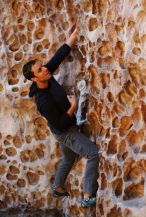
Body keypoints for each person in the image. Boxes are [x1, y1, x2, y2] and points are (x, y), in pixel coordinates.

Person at [23, 27, 100, 207]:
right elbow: (61, 122)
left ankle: (58, 187)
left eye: (42, 66)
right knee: (93, 153)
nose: (44, 69)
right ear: (34, 78)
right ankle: (88, 197)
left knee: (69, 158)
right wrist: (73, 106)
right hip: (65, 131)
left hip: (61, 130)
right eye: (40, 70)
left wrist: (71, 38)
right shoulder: (42, 101)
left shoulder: (46, 76)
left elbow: (58, 57)